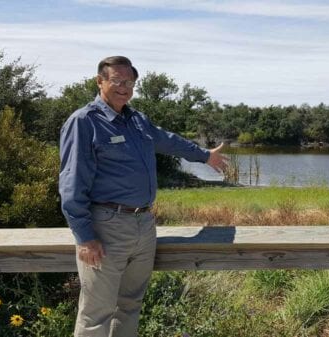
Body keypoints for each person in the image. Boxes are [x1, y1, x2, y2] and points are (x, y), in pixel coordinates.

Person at [58, 56, 228, 337]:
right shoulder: (84, 122)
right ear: (99, 81)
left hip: (144, 224)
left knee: (130, 305)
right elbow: (71, 184)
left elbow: (168, 140)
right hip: (106, 227)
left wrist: (204, 156)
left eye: (130, 82)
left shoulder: (136, 120)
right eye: (117, 81)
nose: (124, 88)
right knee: (96, 313)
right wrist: (85, 237)